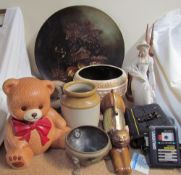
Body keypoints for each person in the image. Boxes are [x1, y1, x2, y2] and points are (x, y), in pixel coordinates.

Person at [126, 41, 156, 105]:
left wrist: (153, 82)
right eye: (141, 50)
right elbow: (129, 67)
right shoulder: (138, 59)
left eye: (143, 50)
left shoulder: (150, 59)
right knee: (138, 99)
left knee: (147, 98)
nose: (142, 52)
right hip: (136, 81)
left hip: (144, 80)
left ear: (147, 50)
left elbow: (151, 72)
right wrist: (138, 75)